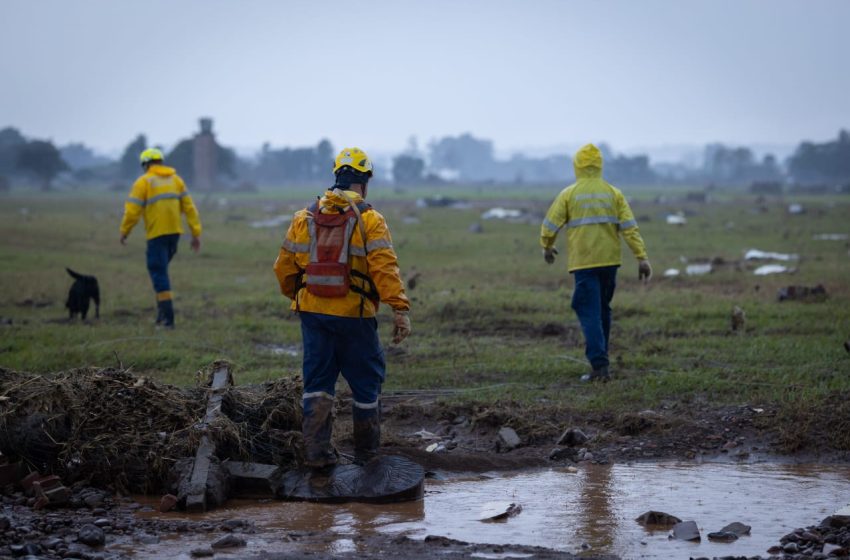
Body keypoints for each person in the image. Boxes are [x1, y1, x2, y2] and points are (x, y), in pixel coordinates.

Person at [273, 147, 411, 469]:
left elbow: (283, 268)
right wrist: (399, 309)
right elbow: (384, 269)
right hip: (355, 317)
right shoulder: (370, 219)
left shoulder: (303, 217)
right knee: (366, 384)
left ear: (336, 176)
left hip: (313, 316)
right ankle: (366, 457)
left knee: (317, 383)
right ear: (365, 181)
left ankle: (318, 457)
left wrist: (302, 298)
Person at [540, 143, 651, 382]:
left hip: (584, 263)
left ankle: (599, 367)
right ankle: (602, 360)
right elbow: (630, 229)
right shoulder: (613, 193)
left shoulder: (569, 194)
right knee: (602, 310)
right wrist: (641, 258)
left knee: (587, 309)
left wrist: (547, 247)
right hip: (610, 262)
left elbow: (550, 224)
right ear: (600, 165)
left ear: (577, 165)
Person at [119, 148, 202, 328]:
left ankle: (167, 320)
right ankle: (161, 315)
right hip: (175, 235)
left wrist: (125, 231)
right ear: (161, 161)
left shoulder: (144, 182)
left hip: (156, 235)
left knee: (159, 274)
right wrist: (195, 234)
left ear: (145, 164)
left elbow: (132, 211)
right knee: (161, 272)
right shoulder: (176, 180)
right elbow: (190, 209)